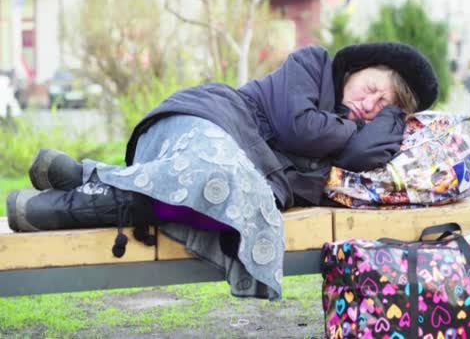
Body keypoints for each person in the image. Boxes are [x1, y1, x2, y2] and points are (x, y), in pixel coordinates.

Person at [6, 42, 438, 300]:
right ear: (358, 67)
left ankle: (84, 180)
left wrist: (381, 125)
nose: (368, 105)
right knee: (223, 178)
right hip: (208, 122)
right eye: (372, 90)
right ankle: (69, 200)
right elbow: (299, 127)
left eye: (383, 110)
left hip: (233, 180)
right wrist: (357, 128)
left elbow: (363, 153)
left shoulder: (347, 136)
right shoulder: (314, 64)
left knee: (238, 205)